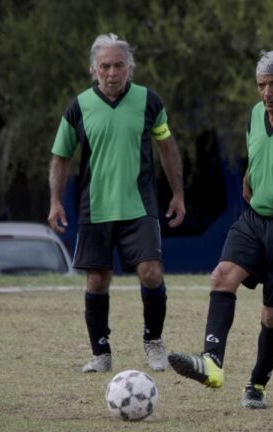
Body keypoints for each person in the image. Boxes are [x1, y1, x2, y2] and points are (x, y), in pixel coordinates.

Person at [167, 51, 273, 409]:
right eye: (261, 85)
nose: (266, 93)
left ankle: (257, 383)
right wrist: (249, 174)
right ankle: (211, 363)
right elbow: (259, 151)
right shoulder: (256, 114)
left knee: (272, 315)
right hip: (255, 220)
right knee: (222, 276)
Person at [48, 33, 186, 373]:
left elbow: (166, 147)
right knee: (97, 280)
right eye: (105, 66)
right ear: (94, 69)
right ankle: (101, 353)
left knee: (151, 272)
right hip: (95, 209)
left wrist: (178, 194)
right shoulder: (78, 106)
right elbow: (60, 156)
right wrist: (54, 200)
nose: (112, 72)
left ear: (130, 69)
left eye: (119, 65)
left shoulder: (149, 102)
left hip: (139, 206)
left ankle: (154, 343)